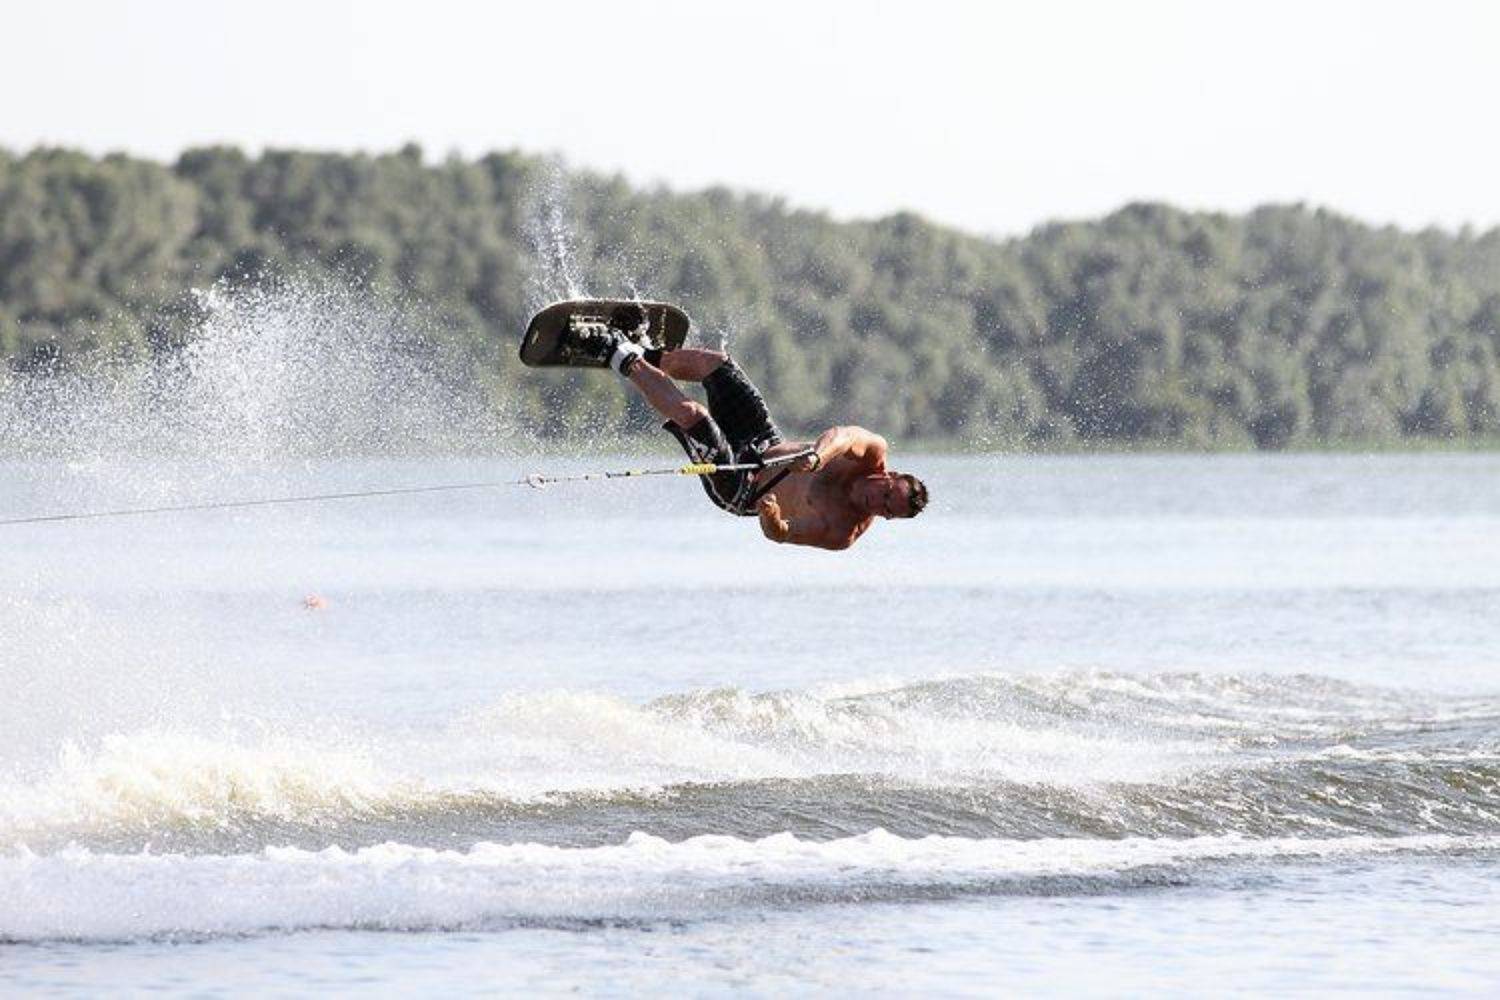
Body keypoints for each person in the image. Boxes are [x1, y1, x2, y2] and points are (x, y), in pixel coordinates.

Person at [565, 306, 928, 550]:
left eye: (886, 512)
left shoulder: (842, 531)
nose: (875, 506)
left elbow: (782, 534)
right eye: (885, 496)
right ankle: (643, 351)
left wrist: (771, 519)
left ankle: (611, 349)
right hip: (762, 441)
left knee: (695, 416)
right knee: (717, 365)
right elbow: (844, 436)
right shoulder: (873, 451)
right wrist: (817, 458)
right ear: (887, 475)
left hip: (741, 486)